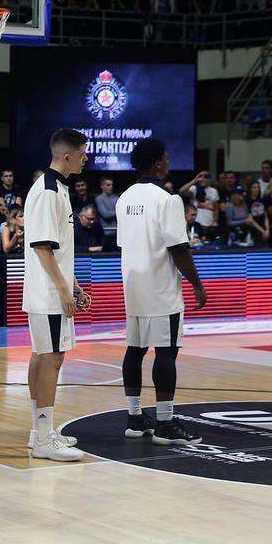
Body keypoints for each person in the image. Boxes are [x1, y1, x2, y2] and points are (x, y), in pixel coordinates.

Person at [117, 138, 207, 446]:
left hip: (132, 285)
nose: (169, 162)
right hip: (160, 287)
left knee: (135, 349)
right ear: (157, 163)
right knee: (166, 352)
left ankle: (134, 418)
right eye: (166, 158)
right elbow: (179, 248)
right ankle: (166, 423)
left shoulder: (124, 197)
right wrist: (196, 283)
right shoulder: (168, 199)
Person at [23, 129, 89, 461]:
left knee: (43, 355)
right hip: (48, 291)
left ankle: (40, 432)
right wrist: (64, 290)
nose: (86, 159)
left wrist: (74, 285)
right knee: (52, 358)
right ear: (67, 156)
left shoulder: (56, 188)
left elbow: (58, 250)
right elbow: (43, 248)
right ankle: (45, 438)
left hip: (49, 288)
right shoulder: (48, 191)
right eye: (82, 154)